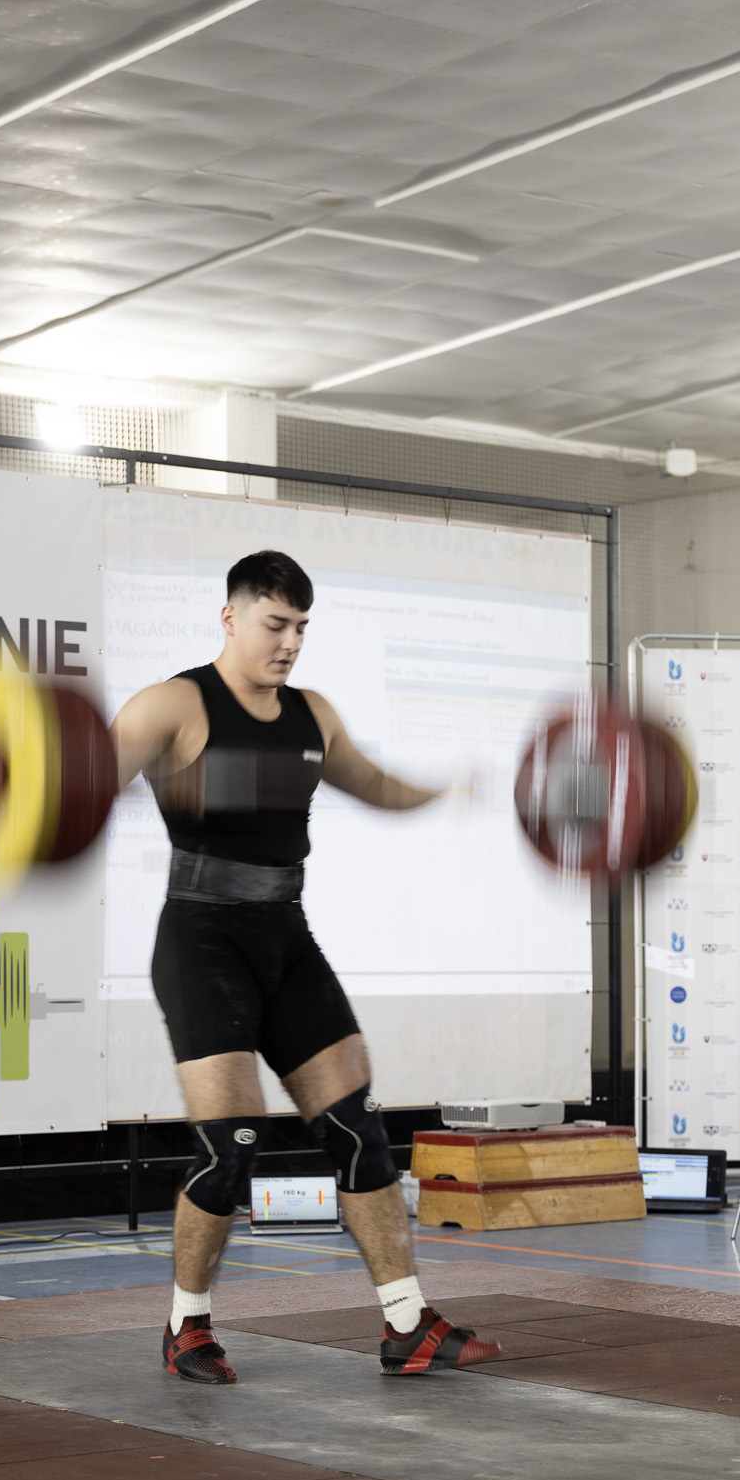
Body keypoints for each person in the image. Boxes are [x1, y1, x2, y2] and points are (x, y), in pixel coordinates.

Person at [110, 548, 501, 1385]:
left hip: (285, 937)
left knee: (357, 1128)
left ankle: (408, 1324)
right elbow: (79, 787)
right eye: (274, 624)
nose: (288, 643)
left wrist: (445, 790)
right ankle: (186, 1327)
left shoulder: (311, 713)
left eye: (300, 629)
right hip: (200, 941)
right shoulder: (171, 704)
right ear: (230, 617)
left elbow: (373, 785)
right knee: (232, 1146)